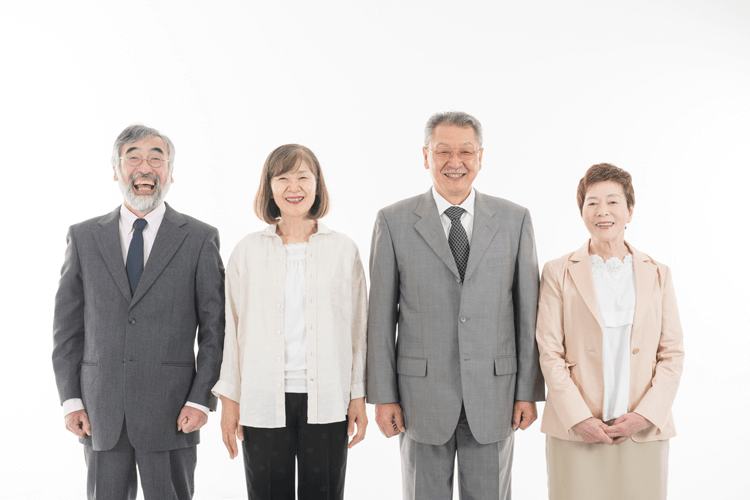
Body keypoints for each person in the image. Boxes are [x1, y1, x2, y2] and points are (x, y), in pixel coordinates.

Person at [366, 111, 545, 500]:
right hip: (419, 398)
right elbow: (379, 318)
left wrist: (527, 390)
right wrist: (383, 396)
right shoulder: (393, 221)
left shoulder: (515, 220)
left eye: (465, 151)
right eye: (443, 151)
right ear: (425, 156)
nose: (455, 162)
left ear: (480, 156)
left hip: (495, 395)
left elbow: (528, 314)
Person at [52, 124, 225, 499]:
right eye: (133, 157)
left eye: (156, 158)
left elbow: (215, 330)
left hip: (173, 411)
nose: (145, 167)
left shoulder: (199, 238)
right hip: (100, 411)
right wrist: (71, 400)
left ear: (171, 172)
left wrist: (201, 398)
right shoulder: (83, 237)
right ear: (116, 170)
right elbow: (67, 330)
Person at [213, 144, 368, 500]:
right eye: (282, 178)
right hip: (262, 399)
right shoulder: (247, 251)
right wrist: (230, 400)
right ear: (269, 187)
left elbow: (359, 330)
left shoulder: (344, 250)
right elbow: (230, 331)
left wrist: (358, 396)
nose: (293, 187)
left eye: (302, 177)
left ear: (317, 184)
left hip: (329, 399)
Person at [535, 163, 685, 500]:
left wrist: (644, 415)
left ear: (630, 210)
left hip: (643, 431)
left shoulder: (658, 273)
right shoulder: (557, 272)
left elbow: (672, 353)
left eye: (613, 201)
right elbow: (549, 352)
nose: (602, 211)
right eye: (592, 202)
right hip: (576, 431)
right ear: (582, 212)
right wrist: (579, 418)